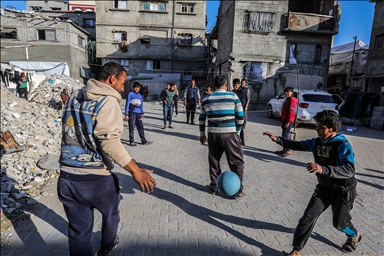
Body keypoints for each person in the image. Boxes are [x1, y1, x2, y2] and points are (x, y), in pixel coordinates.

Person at [58, 62, 157, 256]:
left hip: (67, 177)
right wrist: (136, 171)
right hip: (95, 178)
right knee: (111, 215)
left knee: (79, 232)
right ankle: (106, 247)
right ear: (112, 79)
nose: (123, 87)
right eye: (122, 82)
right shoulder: (108, 101)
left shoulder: (74, 95)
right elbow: (110, 142)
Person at [263, 110, 361, 256]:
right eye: (316, 127)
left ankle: (355, 236)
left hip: (343, 190)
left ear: (333, 129)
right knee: (307, 218)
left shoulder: (342, 145)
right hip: (324, 188)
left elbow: (348, 170)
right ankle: (296, 251)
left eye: (321, 128)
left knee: (339, 224)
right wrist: (278, 139)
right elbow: (297, 145)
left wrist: (323, 169)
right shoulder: (316, 142)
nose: (317, 130)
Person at [199, 75, 245, 198]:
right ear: (226, 85)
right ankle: (237, 190)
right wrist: (238, 133)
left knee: (214, 161)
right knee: (236, 162)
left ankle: (214, 187)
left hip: (213, 134)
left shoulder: (207, 98)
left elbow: (202, 118)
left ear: (214, 86)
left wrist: (202, 134)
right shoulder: (233, 96)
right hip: (229, 134)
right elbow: (240, 116)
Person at [125, 82, 152, 147]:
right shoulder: (130, 94)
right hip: (132, 113)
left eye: (138, 88)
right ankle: (131, 141)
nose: (137, 89)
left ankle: (143, 141)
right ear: (133, 87)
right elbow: (127, 105)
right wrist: (126, 114)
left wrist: (142, 112)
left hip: (138, 113)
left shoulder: (139, 95)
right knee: (131, 127)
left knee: (141, 127)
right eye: (136, 87)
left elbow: (141, 105)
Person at [278, 86, 298, 157]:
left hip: (288, 120)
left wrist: (288, 122)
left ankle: (288, 150)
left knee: (285, 135)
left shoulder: (292, 100)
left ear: (292, 92)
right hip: (285, 120)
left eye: (288, 92)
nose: (286, 93)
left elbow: (292, 112)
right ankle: (284, 149)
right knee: (284, 134)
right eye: (285, 92)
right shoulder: (287, 99)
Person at [232, 78, 246, 146]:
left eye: (236, 85)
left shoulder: (242, 91)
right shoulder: (233, 91)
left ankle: (242, 142)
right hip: (234, 112)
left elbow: (242, 96)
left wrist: (233, 93)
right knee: (234, 127)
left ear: (239, 85)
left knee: (240, 127)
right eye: (234, 85)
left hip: (240, 112)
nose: (235, 87)